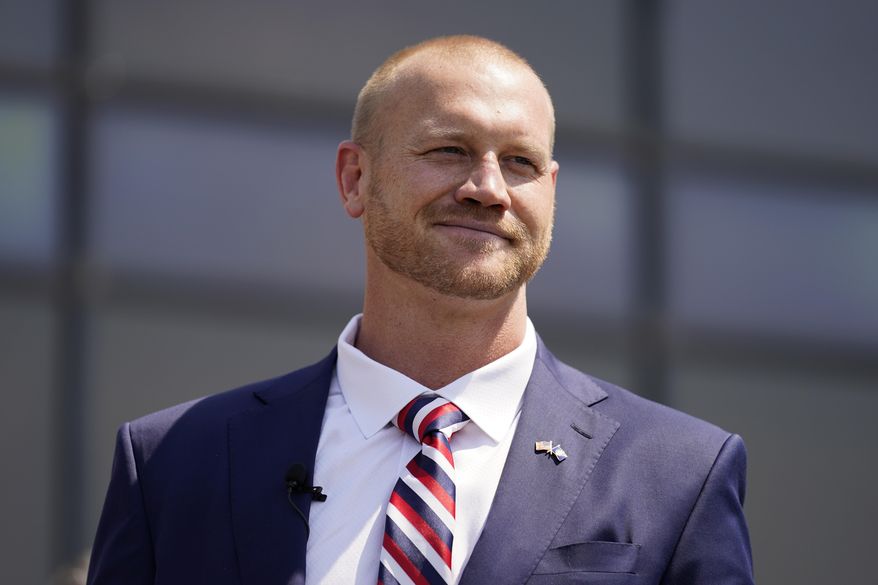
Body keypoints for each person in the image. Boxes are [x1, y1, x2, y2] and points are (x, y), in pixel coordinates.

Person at [87, 35, 753, 585]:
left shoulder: (679, 475)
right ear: (355, 178)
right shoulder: (175, 464)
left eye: (519, 161)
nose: (488, 189)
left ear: (551, 192)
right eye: (449, 150)